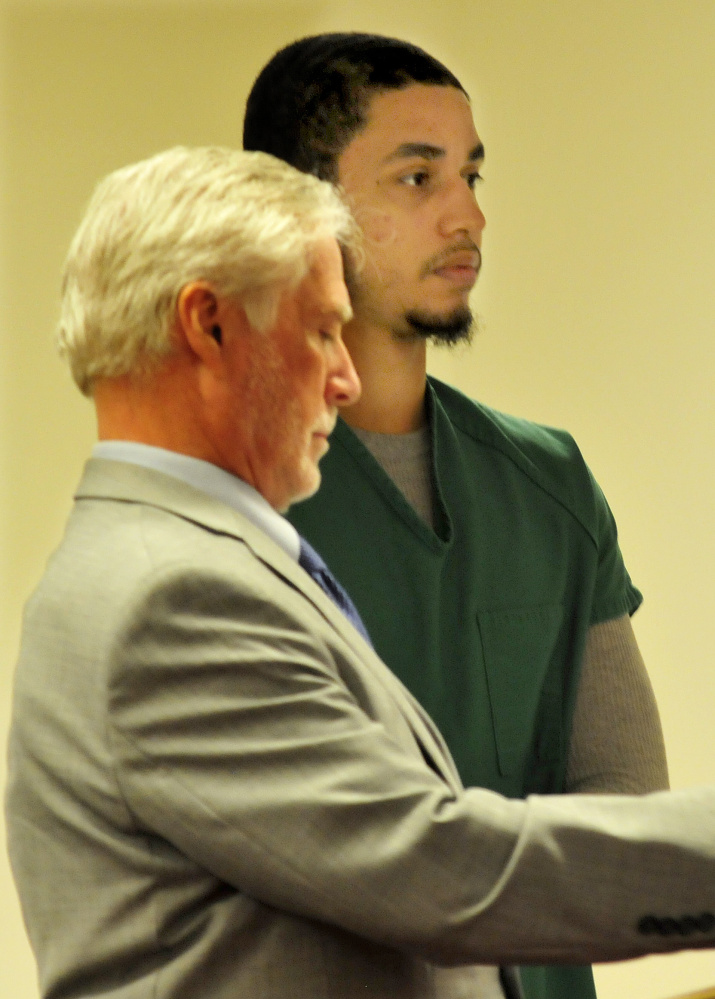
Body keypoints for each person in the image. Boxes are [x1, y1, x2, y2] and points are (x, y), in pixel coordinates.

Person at [5, 146, 715, 999]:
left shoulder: (192, 560)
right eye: (319, 332)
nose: (345, 380)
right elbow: (438, 871)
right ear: (209, 324)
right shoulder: (169, 595)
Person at [243, 34, 670, 999]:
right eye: (416, 176)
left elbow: (629, 806)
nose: (468, 213)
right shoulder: (237, 506)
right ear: (296, 209)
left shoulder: (548, 486)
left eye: (471, 173)